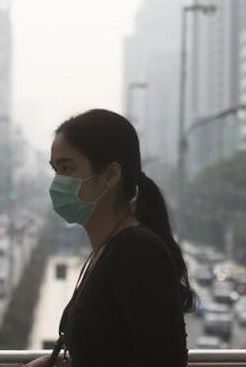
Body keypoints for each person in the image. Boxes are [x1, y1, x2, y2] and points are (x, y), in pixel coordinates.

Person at [25, 109, 194, 367]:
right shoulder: (107, 249)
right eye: (55, 169)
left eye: (67, 168)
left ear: (111, 175)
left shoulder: (138, 252)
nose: (57, 182)